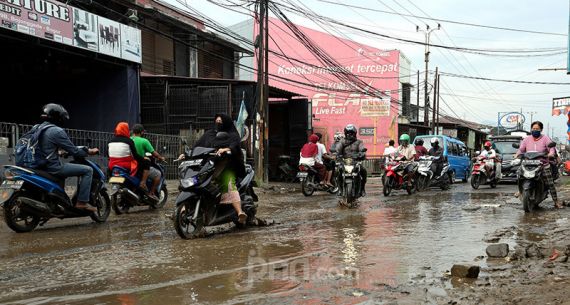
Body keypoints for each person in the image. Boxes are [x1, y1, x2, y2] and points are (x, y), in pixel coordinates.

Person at [37, 104, 99, 212]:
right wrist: (89, 151)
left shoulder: (37, 128)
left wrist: (59, 152)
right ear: (58, 118)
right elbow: (74, 151)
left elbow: (44, 147)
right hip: (52, 167)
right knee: (88, 170)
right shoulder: (56, 131)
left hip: (37, 165)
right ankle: (82, 202)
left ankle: (60, 200)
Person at [194, 114, 248, 223]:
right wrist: (186, 154)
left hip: (229, 164)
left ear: (226, 123)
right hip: (211, 164)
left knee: (229, 183)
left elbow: (235, 145)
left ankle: (239, 212)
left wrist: (226, 149)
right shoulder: (210, 134)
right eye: (217, 121)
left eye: (220, 122)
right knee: (196, 182)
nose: (218, 123)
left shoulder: (232, 134)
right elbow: (197, 145)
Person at [516, 121, 561, 209]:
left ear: (541, 129)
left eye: (537, 129)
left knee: (550, 183)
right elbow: (521, 149)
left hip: (542, 164)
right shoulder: (526, 139)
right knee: (519, 174)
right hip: (528, 163)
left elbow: (551, 148)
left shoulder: (545, 138)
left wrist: (551, 153)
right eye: (533, 129)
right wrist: (517, 154)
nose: (535, 130)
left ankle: (556, 201)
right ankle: (520, 190)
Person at [107, 122, 152, 197]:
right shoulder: (129, 141)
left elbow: (108, 155)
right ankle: (143, 183)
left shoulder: (110, 141)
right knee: (146, 162)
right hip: (126, 165)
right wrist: (144, 158)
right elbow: (135, 156)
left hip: (112, 166)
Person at [131, 124, 165, 199]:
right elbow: (153, 153)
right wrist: (160, 157)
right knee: (158, 174)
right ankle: (151, 193)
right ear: (142, 132)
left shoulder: (129, 140)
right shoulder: (144, 141)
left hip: (130, 165)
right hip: (140, 166)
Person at [336, 124, 367, 196]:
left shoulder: (359, 142)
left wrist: (362, 153)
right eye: (348, 133)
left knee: (364, 172)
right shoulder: (342, 141)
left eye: (351, 133)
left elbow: (362, 149)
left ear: (355, 133)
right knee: (338, 173)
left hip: (355, 161)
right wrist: (338, 154)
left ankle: (362, 189)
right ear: (345, 133)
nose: (350, 134)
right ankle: (340, 189)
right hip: (344, 161)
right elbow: (338, 149)